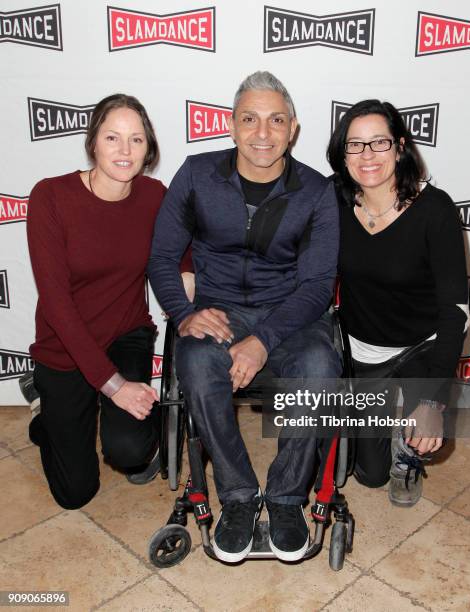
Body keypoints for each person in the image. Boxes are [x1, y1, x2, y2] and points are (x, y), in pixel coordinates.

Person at [148, 71, 341, 563]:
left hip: (292, 313)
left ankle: (285, 499)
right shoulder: (195, 174)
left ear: (293, 128)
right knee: (193, 363)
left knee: (320, 368)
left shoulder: (317, 191)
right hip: (219, 311)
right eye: (250, 119)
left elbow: (318, 286)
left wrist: (263, 341)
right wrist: (184, 313)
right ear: (231, 126)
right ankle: (237, 496)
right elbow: (161, 259)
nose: (262, 133)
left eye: (276, 120)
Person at [27, 93, 167, 510]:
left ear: (148, 149)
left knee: (127, 450)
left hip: (126, 334)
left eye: (136, 140)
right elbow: (56, 303)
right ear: (93, 143)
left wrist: (188, 289)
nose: (125, 151)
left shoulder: (154, 195)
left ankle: (129, 428)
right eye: (112, 138)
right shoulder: (51, 196)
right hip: (65, 345)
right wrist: (115, 386)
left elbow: (182, 254)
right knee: (76, 494)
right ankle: (47, 414)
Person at [327, 99, 468, 506]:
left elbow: (455, 312)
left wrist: (431, 401)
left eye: (379, 143)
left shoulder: (434, 210)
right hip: (363, 347)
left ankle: (409, 451)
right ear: (343, 153)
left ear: (400, 146)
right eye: (355, 145)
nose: (367, 155)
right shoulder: (333, 197)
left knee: (426, 429)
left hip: (420, 344)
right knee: (368, 475)